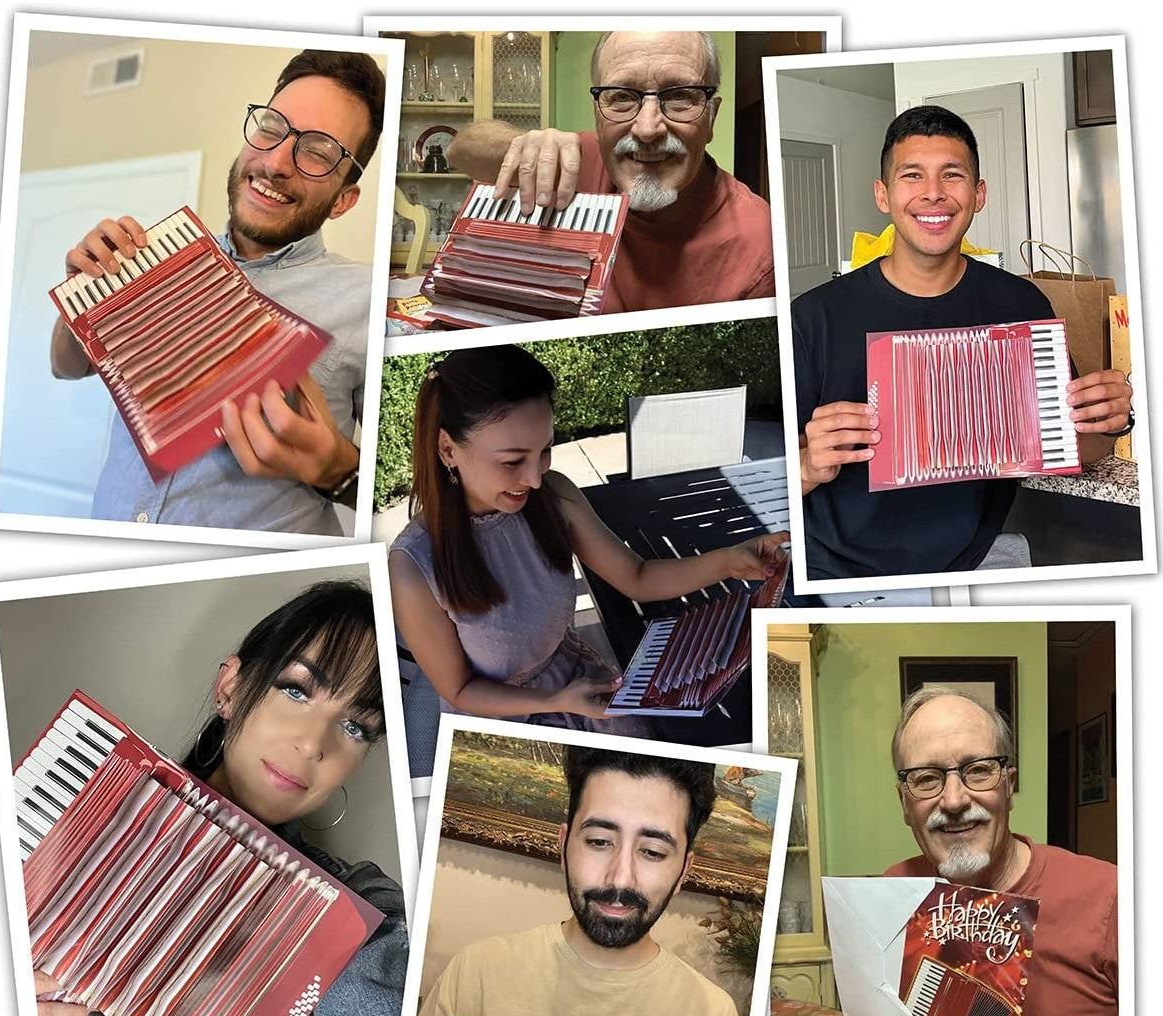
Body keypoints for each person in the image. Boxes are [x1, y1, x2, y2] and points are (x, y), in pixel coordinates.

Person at [34, 581, 408, 1016]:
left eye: (356, 727)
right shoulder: (64, 797)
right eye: (297, 691)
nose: (313, 743)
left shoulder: (359, 911)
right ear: (231, 688)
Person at [50, 49, 385, 534]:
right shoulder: (151, 259)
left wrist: (336, 469)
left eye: (317, 150)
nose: (275, 162)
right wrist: (79, 302)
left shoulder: (374, 303)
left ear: (344, 200)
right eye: (272, 127)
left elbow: (420, 490)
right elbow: (67, 368)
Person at [794, 105, 1134, 580]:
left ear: (978, 195)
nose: (933, 194)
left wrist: (1112, 420)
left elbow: (1076, 446)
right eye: (912, 175)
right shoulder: (811, 317)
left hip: (969, 566)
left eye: (952, 175)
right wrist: (808, 464)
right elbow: (764, 485)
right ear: (882, 195)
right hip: (838, 574)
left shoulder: (1020, 302)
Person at [388, 345, 790, 732]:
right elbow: (459, 690)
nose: (533, 477)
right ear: (447, 449)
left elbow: (638, 577)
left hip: (578, 687)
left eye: (545, 450)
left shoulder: (552, 496)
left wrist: (728, 560)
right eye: (512, 461)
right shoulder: (413, 565)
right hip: (502, 721)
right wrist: (555, 701)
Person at [405, 745, 745, 1016]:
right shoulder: (478, 971)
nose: (620, 879)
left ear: (684, 871)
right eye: (600, 842)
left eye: (654, 852)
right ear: (564, 844)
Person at [864, 685, 1118, 1016]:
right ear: (904, 803)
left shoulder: (1111, 897)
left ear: (1010, 783)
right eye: (926, 779)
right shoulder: (892, 894)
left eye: (978, 770)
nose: (955, 799)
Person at [446, 31, 774, 312]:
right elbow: (461, 151)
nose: (647, 129)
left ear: (711, 119)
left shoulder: (761, 249)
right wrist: (524, 145)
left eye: (679, 97)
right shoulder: (577, 160)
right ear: (598, 114)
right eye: (621, 97)